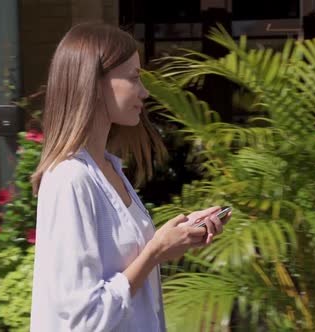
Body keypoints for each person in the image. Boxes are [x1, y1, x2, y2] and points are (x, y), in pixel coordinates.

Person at [29, 22, 231, 332]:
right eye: (134, 78)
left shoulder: (109, 169)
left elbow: (123, 269)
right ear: (95, 84)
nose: (145, 91)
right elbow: (84, 319)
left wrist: (175, 238)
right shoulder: (70, 180)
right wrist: (153, 253)